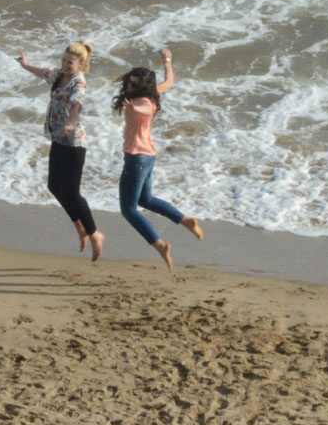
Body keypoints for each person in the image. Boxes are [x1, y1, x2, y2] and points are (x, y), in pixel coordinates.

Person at [112, 47, 203, 270]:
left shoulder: (143, 101)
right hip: (148, 157)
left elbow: (144, 110)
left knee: (128, 209)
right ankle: (186, 220)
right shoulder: (153, 93)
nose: (130, 86)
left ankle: (159, 245)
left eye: (134, 84)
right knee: (146, 200)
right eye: (129, 83)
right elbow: (169, 81)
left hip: (137, 159)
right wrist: (168, 61)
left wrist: (134, 106)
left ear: (142, 87)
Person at [16, 41, 104, 261]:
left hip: (74, 141)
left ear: (81, 64)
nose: (65, 65)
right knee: (54, 186)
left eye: (70, 62)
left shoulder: (79, 83)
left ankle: (95, 234)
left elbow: (77, 105)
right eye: (64, 60)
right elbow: (42, 72)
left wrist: (71, 123)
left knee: (72, 192)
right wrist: (25, 65)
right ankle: (79, 226)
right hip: (58, 138)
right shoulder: (57, 76)